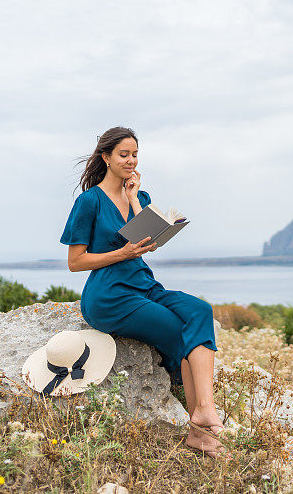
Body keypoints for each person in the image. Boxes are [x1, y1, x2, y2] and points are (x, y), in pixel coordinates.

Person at [60, 126, 225, 457]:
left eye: (135, 154)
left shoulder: (142, 198)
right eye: (124, 154)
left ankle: (203, 411)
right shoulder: (89, 202)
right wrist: (122, 253)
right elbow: (75, 262)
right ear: (105, 157)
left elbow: (147, 245)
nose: (131, 161)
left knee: (199, 311)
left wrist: (135, 198)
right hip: (109, 295)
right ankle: (202, 433)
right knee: (181, 332)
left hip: (144, 283)